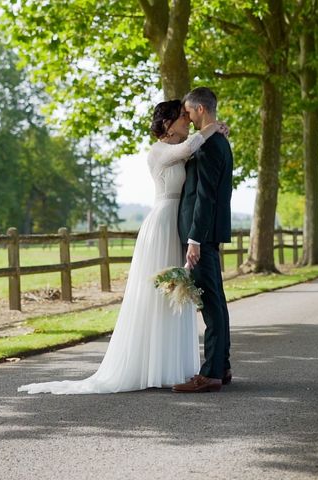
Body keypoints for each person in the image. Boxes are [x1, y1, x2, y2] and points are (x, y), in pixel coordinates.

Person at [18, 99, 227, 394]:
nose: (187, 120)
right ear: (167, 124)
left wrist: (215, 133)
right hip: (161, 225)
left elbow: (195, 159)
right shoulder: (160, 151)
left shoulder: (183, 152)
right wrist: (212, 128)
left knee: (177, 295)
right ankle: (147, 366)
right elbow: (188, 147)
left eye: (188, 115)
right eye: (182, 116)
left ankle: (169, 366)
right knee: (156, 296)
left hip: (177, 228)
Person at [172, 87, 233, 393]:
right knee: (217, 302)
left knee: (210, 304)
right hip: (209, 234)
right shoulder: (218, 141)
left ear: (199, 110)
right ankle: (221, 366)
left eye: (189, 111)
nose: (188, 116)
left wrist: (194, 238)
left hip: (202, 235)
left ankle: (210, 373)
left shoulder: (210, 147)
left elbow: (205, 197)